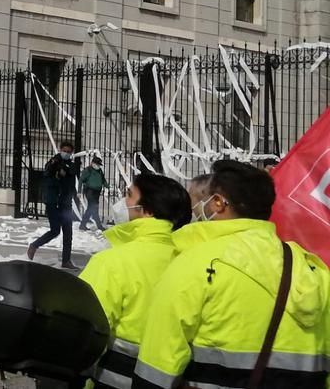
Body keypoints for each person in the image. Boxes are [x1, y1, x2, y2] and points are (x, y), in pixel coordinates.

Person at [133, 160, 330, 388]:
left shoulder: (195, 262)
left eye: (205, 198)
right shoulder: (313, 270)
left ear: (218, 203)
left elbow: (157, 364)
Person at [78, 172, 191, 389]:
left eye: (129, 195)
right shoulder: (191, 260)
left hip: (111, 379)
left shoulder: (111, 263)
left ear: (146, 211)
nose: (122, 203)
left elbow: (83, 333)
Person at [27, 141, 79, 269]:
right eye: (64, 150)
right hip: (53, 203)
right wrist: (56, 170)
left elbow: (71, 180)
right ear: (60, 150)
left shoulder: (71, 165)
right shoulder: (53, 162)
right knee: (55, 231)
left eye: (69, 151)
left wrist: (74, 195)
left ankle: (66, 260)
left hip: (66, 203)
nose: (66, 153)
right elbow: (47, 173)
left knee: (68, 233)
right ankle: (34, 245)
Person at [78, 155, 108, 230]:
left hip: (97, 192)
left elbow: (103, 180)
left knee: (92, 208)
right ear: (92, 163)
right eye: (97, 164)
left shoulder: (100, 171)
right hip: (89, 191)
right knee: (93, 206)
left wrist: (107, 186)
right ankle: (99, 226)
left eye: (99, 165)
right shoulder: (88, 170)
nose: (98, 166)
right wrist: (79, 191)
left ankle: (82, 225)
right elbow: (81, 180)